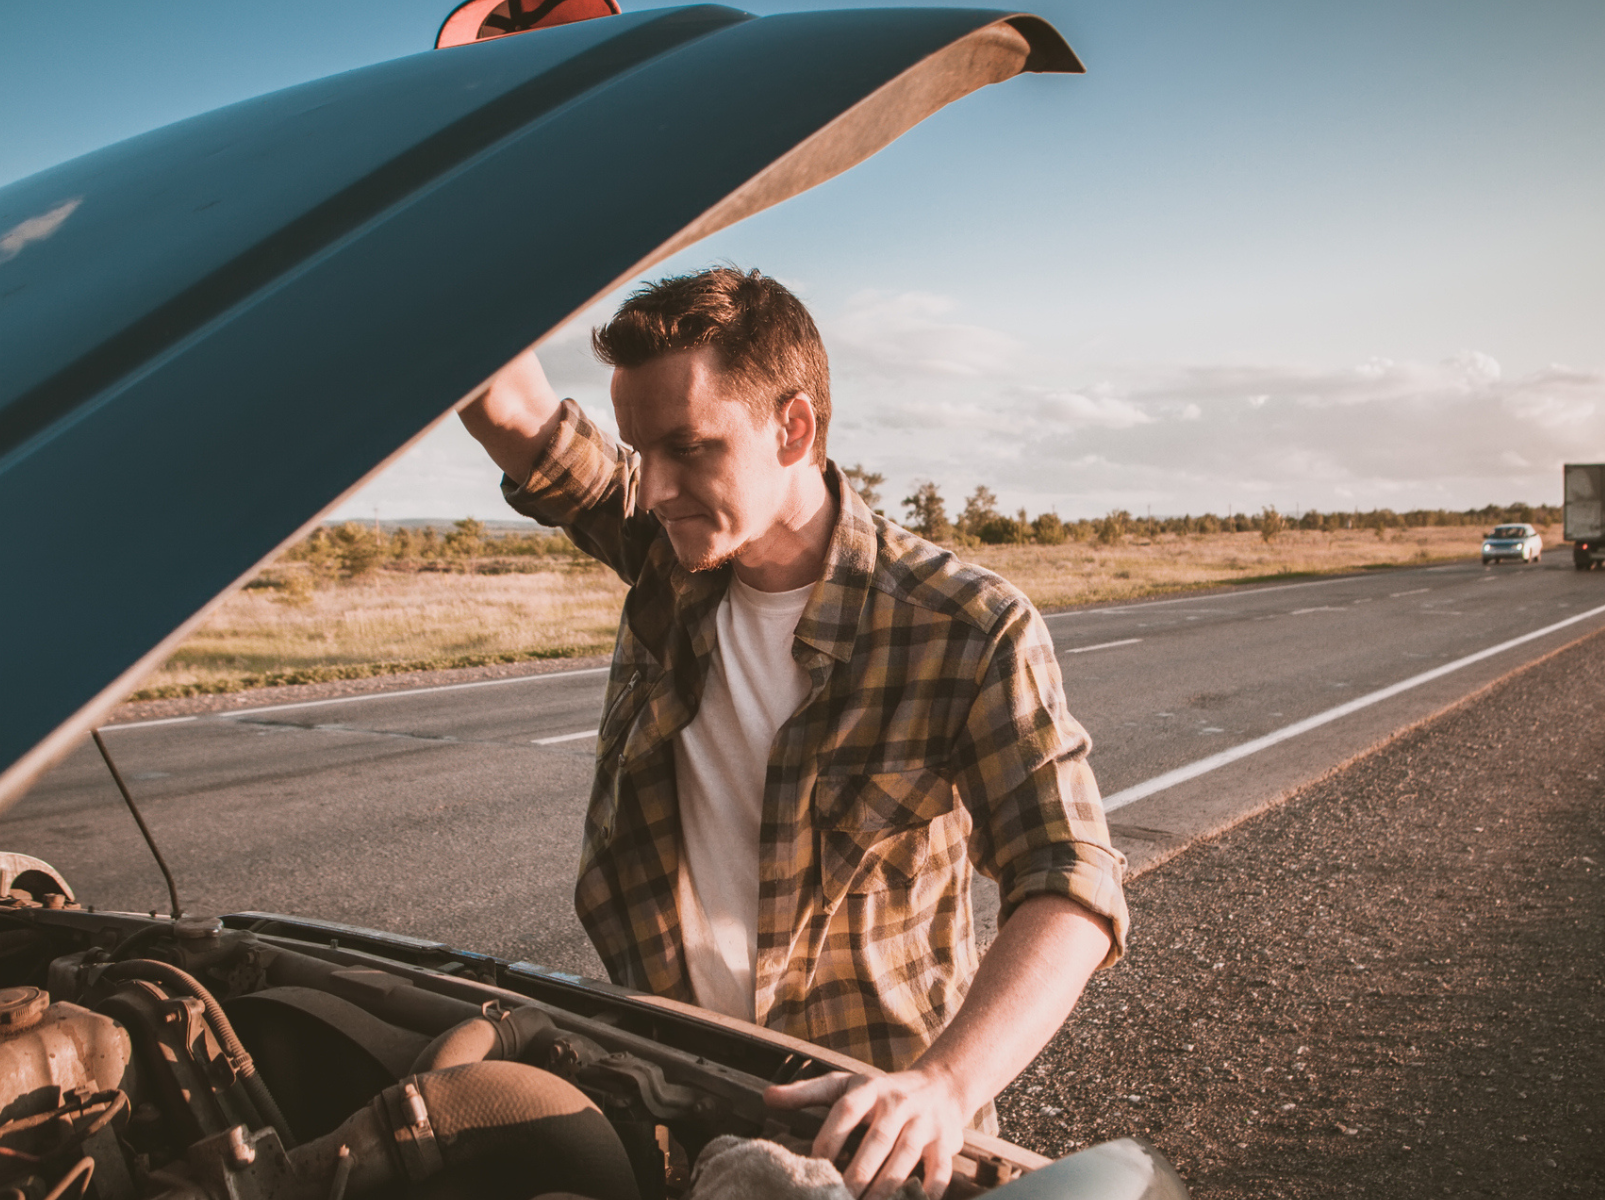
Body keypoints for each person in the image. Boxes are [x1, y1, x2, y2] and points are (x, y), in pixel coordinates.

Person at [458, 267, 1127, 1200]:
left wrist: (944, 1086)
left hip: (870, 1144)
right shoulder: (670, 552)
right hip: (676, 1096)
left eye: (688, 448)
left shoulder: (966, 625)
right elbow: (514, 410)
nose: (652, 489)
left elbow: (1072, 884)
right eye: (639, 450)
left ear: (795, 428)